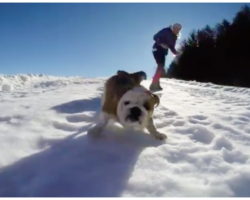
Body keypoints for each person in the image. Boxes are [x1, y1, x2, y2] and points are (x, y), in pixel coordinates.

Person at [149, 23, 182, 92]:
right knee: (160, 66)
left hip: (163, 52)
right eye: (176, 28)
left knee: (161, 67)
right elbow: (155, 37)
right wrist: (160, 42)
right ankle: (154, 84)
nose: (177, 30)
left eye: (179, 29)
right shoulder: (166, 30)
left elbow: (171, 46)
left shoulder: (174, 37)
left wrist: (175, 52)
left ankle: (156, 84)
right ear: (173, 27)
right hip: (157, 49)